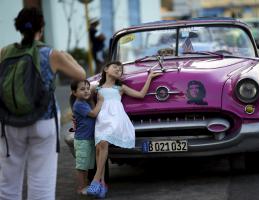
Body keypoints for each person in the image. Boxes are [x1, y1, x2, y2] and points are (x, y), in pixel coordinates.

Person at [0, 7, 86, 200]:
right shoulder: (51, 54)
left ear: (19, 28)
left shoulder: (4, 52)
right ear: (42, 27)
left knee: (8, 183)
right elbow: (81, 75)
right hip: (43, 122)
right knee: (41, 182)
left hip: (9, 124)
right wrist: (67, 56)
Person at [86, 61, 161, 198]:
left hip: (116, 119)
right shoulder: (96, 88)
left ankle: (95, 180)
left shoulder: (120, 88)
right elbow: (84, 98)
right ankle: (102, 184)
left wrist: (149, 77)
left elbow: (141, 95)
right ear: (106, 69)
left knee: (103, 144)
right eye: (115, 67)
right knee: (98, 148)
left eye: (120, 70)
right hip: (101, 120)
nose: (118, 70)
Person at [70, 80, 103, 195]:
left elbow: (95, 87)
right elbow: (94, 114)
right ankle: (81, 187)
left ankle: (85, 184)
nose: (86, 91)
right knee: (81, 166)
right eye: (82, 89)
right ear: (74, 92)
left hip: (88, 138)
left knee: (87, 165)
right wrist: (100, 101)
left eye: (88, 89)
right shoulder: (79, 104)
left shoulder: (85, 102)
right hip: (82, 140)